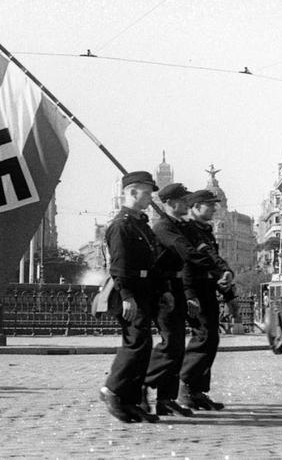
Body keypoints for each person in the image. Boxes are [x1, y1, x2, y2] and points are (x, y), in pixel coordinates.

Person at [99, 171, 173, 424]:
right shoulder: (121, 225)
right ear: (132, 192)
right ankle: (112, 389)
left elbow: (153, 262)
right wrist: (127, 296)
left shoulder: (141, 224)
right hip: (130, 291)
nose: (151, 196)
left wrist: (163, 290)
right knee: (136, 343)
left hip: (146, 288)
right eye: (147, 191)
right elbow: (118, 266)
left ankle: (129, 401)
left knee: (142, 346)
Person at [142, 183, 214, 417]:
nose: (188, 203)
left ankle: (166, 399)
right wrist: (212, 266)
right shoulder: (164, 227)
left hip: (178, 286)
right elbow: (185, 251)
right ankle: (142, 383)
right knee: (170, 343)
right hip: (164, 289)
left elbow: (199, 248)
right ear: (172, 203)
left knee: (178, 346)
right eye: (184, 200)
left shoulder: (180, 225)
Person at [176, 189, 238, 411]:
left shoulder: (205, 232)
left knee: (211, 339)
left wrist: (228, 294)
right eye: (209, 204)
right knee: (203, 337)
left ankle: (196, 390)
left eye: (214, 204)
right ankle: (184, 387)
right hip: (194, 291)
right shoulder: (188, 231)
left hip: (208, 289)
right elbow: (187, 265)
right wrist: (190, 294)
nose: (214, 208)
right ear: (194, 207)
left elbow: (213, 264)